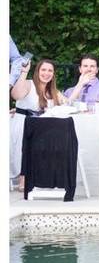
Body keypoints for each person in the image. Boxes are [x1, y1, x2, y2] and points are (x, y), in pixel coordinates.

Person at [10, 59, 68, 191]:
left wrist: (81, 83)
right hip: (23, 125)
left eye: (50, 71)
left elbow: (67, 104)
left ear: (53, 74)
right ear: (37, 71)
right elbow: (16, 95)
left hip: (41, 128)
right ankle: (23, 179)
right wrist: (24, 72)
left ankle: (45, 176)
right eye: (43, 70)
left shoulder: (53, 91)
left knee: (55, 138)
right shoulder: (28, 84)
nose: (46, 73)